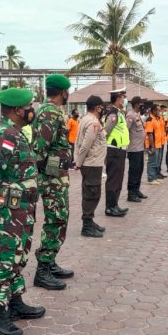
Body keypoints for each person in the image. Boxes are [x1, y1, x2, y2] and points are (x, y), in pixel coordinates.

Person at [0, 87, 45, 335]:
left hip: (22, 210)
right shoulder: (4, 135)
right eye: (29, 107)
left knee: (18, 257)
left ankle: (15, 302)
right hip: (8, 212)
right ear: (18, 110)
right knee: (4, 260)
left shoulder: (16, 133)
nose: (32, 111)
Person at [30, 74, 75, 291]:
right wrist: (45, 177)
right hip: (50, 178)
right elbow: (40, 148)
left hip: (56, 175)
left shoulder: (53, 111)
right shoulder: (48, 112)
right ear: (63, 92)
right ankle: (43, 270)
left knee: (59, 219)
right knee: (56, 219)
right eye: (68, 90)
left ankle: (50, 261)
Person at [74, 95, 107, 238]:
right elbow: (86, 144)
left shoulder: (85, 119)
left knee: (90, 192)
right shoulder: (93, 122)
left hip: (92, 162)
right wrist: (78, 162)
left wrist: (78, 160)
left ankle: (90, 220)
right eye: (101, 106)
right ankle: (86, 225)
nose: (102, 109)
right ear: (97, 107)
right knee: (92, 194)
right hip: (92, 163)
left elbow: (77, 141)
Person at [104, 88, 130, 217]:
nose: (124, 100)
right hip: (114, 150)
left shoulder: (119, 113)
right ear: (118, 99)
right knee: (113, 180)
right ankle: (110, 207)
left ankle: (115, 205)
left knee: (118, 180)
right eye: (122, 98)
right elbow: (106, 132)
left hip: (120, 150)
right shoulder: (113, 114)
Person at [126, 96, 148, 202]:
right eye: (140, 103)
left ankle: (136, 190)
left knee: (139, 170)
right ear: (136, 104)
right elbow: (126, 130)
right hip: (133, 149)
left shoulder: (137, 115)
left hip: (139, 148)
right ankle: (131, 193)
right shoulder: (130, 115)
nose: (142, 105)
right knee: (133, 172)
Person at [145, 105, 163, 185]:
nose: (160, 112)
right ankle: (151, 178)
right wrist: (152, 146)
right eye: (158, 110)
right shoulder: (150, 120)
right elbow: (149, 134)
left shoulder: (157, 119)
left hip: (158, 144)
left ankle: (155, 177)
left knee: (156, 162)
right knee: (152, 162)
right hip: (153, 145)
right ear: (154, 111)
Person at [156, 105, 168, 180]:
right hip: (157, 141)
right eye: (159, 110)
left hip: (162, 140)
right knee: (156, 159)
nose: (160, 112)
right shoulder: (153, 119)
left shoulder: (160, 118)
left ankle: (158, 172)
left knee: (160, 159)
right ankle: (156, 173)